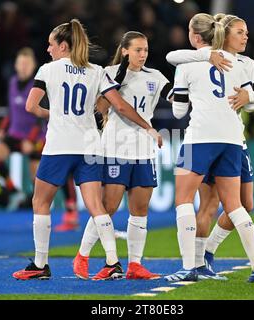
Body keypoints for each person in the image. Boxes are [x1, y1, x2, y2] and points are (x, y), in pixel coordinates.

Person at [12, 19, 162, 281]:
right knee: (96, 206)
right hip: (90, 146)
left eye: (50, 45)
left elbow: (30, 107)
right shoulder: (97, 71)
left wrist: (55, 115)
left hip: (59, 146)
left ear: (63, 46)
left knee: (40, 202)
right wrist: (148, 127)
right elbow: (122, 106)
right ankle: (113, 262)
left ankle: (40, 264)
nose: (48, 50)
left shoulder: (48, 70)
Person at [164, 13, 254, 282]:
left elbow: (178, 112)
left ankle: (190, 267)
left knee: (184, 200)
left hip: (199, 137)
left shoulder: (185, 65)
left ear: (194, 36)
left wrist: (181, 93)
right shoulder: (238, 62)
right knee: (235, 205)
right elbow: (252, 104)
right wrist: (248, 97)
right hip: (233, 139)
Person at [73, 31, 171, 280]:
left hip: (144, 152)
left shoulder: (155, 76)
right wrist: (120, 78)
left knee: (140, 209)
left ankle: (135, 266)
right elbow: (104, 107)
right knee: (108, 206)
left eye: (146, 50)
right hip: (116, 149)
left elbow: (175, 94)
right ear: (125, 50)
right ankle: (82, 256)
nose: (143, 55)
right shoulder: (109, 73)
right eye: (138, 50)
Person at [0, 47, 45, 199]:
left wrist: (30, 139)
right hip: (15, 133)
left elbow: (41, 116)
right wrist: (2, 128)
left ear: (34, 66)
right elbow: (10, 110)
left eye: (27, 64)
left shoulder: (38, 84)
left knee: (36, 174)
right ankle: (11, 189)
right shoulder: (12, 82)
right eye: (21, 63)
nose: (23, 67)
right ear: (15, 65)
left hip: (35, 136)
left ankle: (34, 202)